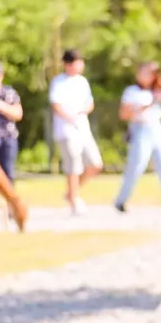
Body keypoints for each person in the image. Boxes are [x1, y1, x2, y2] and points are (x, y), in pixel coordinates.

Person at [114, 62, 161, 213]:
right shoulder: (132, 91)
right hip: (140, 128)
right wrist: (143, 108)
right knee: (136, 166)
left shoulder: (156, 91)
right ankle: (121, 200)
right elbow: (124, 114)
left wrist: (159, 79)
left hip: (156, 128)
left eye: (149, 73)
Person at [49, 49, 103, 215]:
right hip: (66, 130)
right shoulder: (58, 82)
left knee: (95, 164)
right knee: (73, 166)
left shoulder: (82, 82)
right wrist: (68, 116)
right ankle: (74, 200)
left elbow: (90, 102)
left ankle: (71, 193)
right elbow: (55, 103)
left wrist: (82, 112)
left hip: (82, 128)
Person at [0, 61, 23, 184]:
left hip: (7, 137)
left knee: (8, 173)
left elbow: (18, 114)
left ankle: (10, 202)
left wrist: (1, 106)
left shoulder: (9, 93)